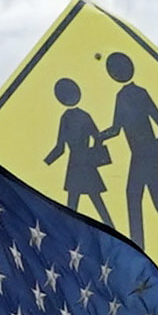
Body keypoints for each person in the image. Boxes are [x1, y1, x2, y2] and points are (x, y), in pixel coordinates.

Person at [101, 50, 158, 254]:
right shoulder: (137, 93)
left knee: (134, 196)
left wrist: (99, 137)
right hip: (148, 154)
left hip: (141, 155)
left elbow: (116, 129)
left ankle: (139, 248)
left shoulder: (124, 96)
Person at [45, 76, 111, 217]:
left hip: (75, 164)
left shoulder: (66, 118)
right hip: (86, 163)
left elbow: (60, 147)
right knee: (94, 202)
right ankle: (111, 229)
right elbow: (97, 137)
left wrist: (45, 163)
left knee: (73, 206)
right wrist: (94, 152)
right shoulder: (84, 115)